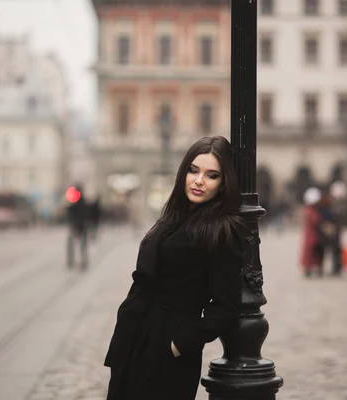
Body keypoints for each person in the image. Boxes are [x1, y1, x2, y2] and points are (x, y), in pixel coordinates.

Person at [104, 136, 244, 400]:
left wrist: (179, 344)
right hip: (136, 334)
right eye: (193, 170)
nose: (199, 180)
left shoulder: (219, 230)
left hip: (169, 346)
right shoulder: (173, 216)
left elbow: (227, 306)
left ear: (224, 184)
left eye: (211, 175)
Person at [300, 187, 323, 277]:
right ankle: (309, 268)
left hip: (309, 234)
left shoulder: (308, 209)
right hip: (312, 234)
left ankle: (309, 268)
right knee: (311, 252)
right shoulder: (311, 210)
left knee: (309, 252)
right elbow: (316, 220)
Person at [66, 184, 90, 269]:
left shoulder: (79, 201)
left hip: (79, 226)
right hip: (81, 226)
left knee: (77, 244)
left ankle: (77, 261)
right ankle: (81, 261)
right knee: (81, 245)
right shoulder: (81, 201)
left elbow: (77, 213)